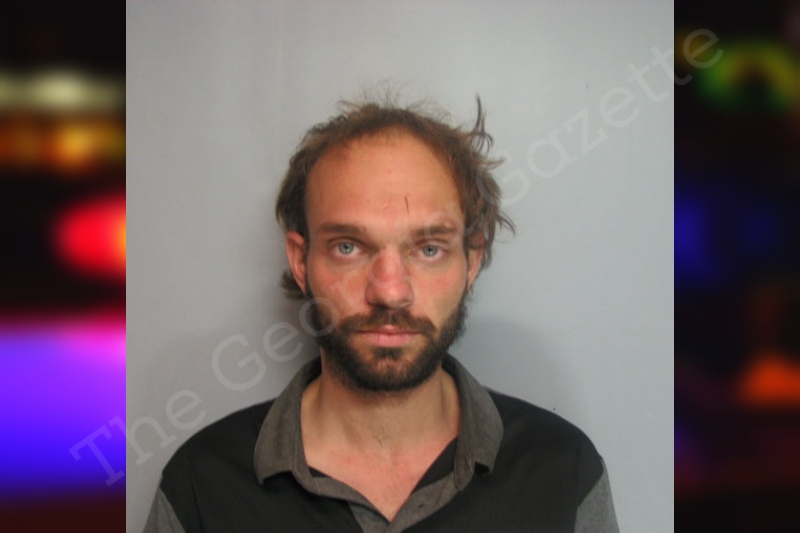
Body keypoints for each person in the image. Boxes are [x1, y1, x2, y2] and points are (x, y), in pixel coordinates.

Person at [144, 97, 619, 532]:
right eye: (348, 247)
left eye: (428, 249)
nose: (390, 292)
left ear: (471, 261)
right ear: (301, 261)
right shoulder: (200, 485)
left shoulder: (563, 472)